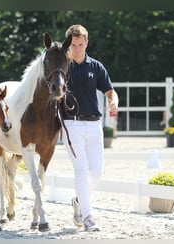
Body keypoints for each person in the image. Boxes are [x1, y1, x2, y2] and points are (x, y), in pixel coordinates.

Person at [61, 24, 119, 232]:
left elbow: (110, 91)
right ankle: (88, 217)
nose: (77, 48)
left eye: (80, 44)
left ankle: (78, 201)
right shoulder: (62, 66)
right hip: (71, 124)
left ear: (86, 42)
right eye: (73, 44)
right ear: (68, 44)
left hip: (95, 124)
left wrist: (114, 102)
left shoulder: (96, 66)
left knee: (97, 172)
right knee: (81, 170)